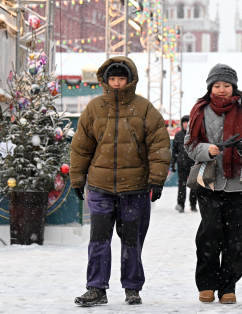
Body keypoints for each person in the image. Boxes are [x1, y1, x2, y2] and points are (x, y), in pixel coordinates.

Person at [70, 56, 171, 307]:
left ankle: (132, 288)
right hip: (100, 186)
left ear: (130, 79)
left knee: (131, 242)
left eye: (121, 78)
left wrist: (157, 180)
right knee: (99, 240)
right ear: (105, 80)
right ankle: (96, 288)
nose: (116, 83)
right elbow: (81, 147)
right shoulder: (94, 108)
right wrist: (77, 178)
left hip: (135, 187)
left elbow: (159, 146)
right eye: (112, 78)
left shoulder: (144, 108)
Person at [185, 64, 242, 305]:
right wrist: (205, 150)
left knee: (237, 236)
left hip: (240, 181)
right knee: (210, 233)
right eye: (217, 85)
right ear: (210, 87)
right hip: (210, 181)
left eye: (226, 86)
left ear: (234, 87)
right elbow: (190, 145)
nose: (221, 90)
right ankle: (207, 284)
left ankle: (228, 285)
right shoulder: (200, 110)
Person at [171, 115, 197, 213]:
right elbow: (174, 151)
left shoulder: (194, 134)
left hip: (193, 164)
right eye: (184, 122)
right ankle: (181, 204)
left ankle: (193, 205)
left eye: (187, 122)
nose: (185, 124)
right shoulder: (178, 135)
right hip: (181, 164)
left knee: (193, 186)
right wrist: (173, 164)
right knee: (182, 186)